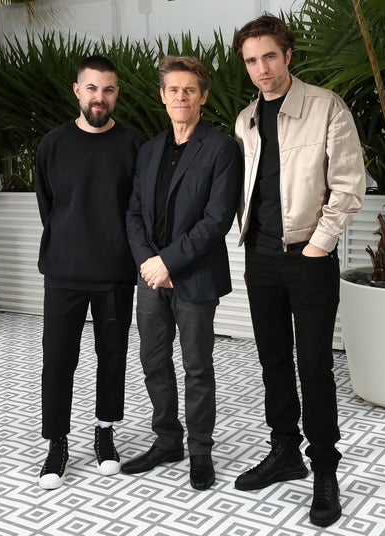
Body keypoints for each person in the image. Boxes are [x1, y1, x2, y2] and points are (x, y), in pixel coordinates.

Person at [232, 15, 366, 527]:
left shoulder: (326, 107)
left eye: (269, 56)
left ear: (288, 55)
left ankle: (325, 470)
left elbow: (349, 184)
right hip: (259, 259)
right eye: (251, 60)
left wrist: (318, 245)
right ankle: (284, 450)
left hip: (308, 258)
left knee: (314, 365)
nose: (261, 69)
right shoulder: (245, 120)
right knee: (271, 361)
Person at [122, 55, 242, 491]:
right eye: (173, 89)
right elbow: (133, 212)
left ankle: (200, 451)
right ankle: (166, 441)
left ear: (203, 96)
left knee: (197, 366)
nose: (181, 97)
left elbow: (216, 220)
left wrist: (169, 263)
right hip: (151, 278)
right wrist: (149, 264)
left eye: (189, 89)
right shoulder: (149, 149)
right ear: (162, 96)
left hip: (193, 276)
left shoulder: (222, 148)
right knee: (154, 361)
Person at [34, 55, 144, 490]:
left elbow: (138, 211)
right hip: (62, 271)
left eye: (109, 90)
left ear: (116, 94)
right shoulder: (52, 145)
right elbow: (49, 206)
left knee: (112, 356)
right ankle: (57, 443)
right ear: (77, 90)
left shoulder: (133, 145)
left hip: (115, 273)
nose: (101, 97)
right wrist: (68, 239)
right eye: (93, 88)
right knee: (58, 360)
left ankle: (104, 432)